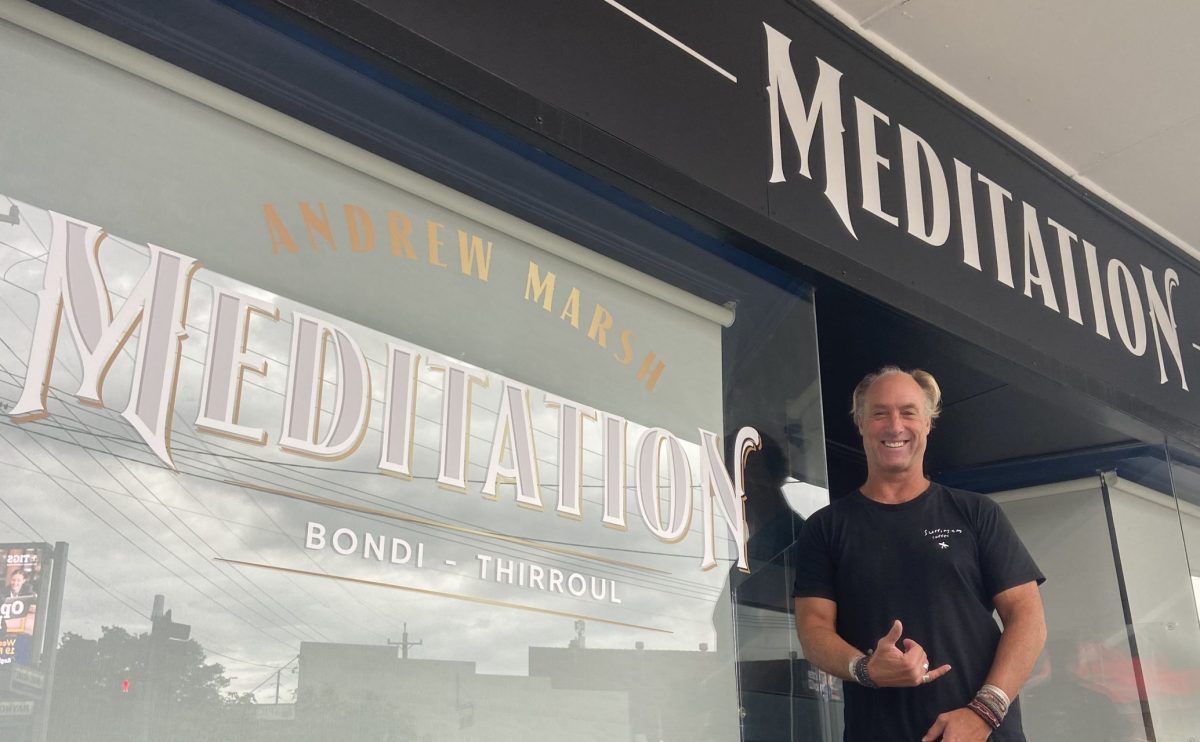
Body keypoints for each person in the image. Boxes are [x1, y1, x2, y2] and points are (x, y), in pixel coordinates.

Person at [793, 366, 1046, 742]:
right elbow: (813, 630)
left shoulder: (976, 512)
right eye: (880, 413)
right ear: (860, 424)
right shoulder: (825, 527)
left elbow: (1027, 617)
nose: (895, 426)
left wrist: (984, 713)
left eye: (908, 412)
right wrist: (865, 668)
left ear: (928, 423)